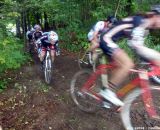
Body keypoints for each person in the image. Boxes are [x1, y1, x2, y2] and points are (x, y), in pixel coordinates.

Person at [98, 5, 160, 107]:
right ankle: (107, 92)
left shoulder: (145, 26)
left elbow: (135, 45)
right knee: (127, 64)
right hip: (106, 39)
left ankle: (106, 96)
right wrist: (156, 56)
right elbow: (136, 45)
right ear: (155, 15)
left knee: (119, 67)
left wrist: (149, 59)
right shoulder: (140, 21)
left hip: (111, 40)